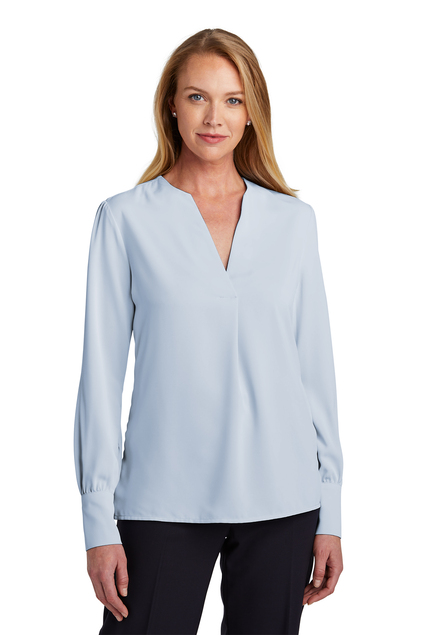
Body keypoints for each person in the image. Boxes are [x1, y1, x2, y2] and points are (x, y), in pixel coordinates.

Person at [73, 27, 344, 635]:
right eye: (197, 96)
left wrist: (330, 510)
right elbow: (100, 379)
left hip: (284, 499)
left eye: (232, 99)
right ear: (171, 105)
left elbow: (316, 374)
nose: (214, 117)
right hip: (162, 496)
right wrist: (97, 522)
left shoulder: (293, 223)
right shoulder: (125, 220)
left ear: (251, 112)